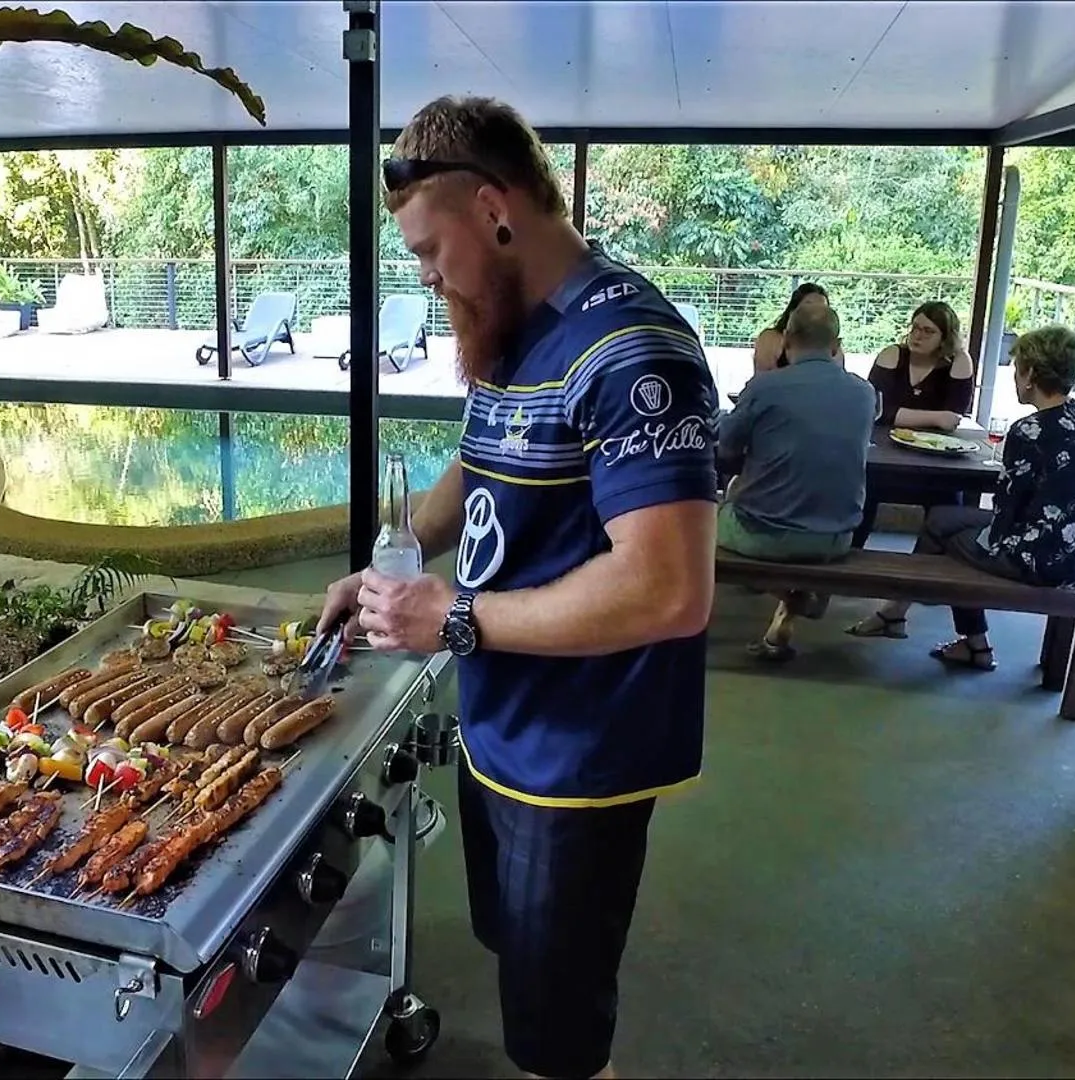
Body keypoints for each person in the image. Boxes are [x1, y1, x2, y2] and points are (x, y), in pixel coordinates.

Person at [317, 95, 718, 1080]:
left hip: (579, 757)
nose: (422, 274)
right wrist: (384, 558)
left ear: (494, 209)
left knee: (558, 1039)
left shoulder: (631, 350)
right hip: (505, 721)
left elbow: (668, 590)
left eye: (425, 248)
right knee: (522, 969)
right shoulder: (514, 330)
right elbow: (477, 474)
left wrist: (452, 616)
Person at [845, 325, 1075, 668]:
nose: (1014, 377)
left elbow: (1005, 512)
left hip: (1037, 558)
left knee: (944, 534)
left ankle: (950, 632)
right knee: (942, 516)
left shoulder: (1030, 430)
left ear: (1030, 374)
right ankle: (911, 619)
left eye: (1017, 368)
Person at [716, 302, 877, 661]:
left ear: (786, 340)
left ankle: (788, 596)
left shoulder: (765, 388)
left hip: (762, 535)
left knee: (706, 522)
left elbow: (726, 449)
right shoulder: (865, 393)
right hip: (837, 535)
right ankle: (794, 599)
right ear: (837, 345)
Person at [852, 301, 978, 548]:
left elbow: (952, 417)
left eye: (928, 331)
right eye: (916, 327)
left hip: (936, 459)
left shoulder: (959, 361)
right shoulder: (893, 355)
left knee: (951, 499)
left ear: (945, 337)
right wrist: (933, 417)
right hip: (886, 454)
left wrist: (909, 415)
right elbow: (877, 409)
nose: (918, 335)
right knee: (863, 490)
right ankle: (851, 558)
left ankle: (936, 571)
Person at [750, 282, 841, 375]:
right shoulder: (771, 338)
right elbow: (763, 379)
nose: (814, 313)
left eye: (822, 308)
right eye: (808, 306)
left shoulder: (834, 346)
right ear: (793, 310)